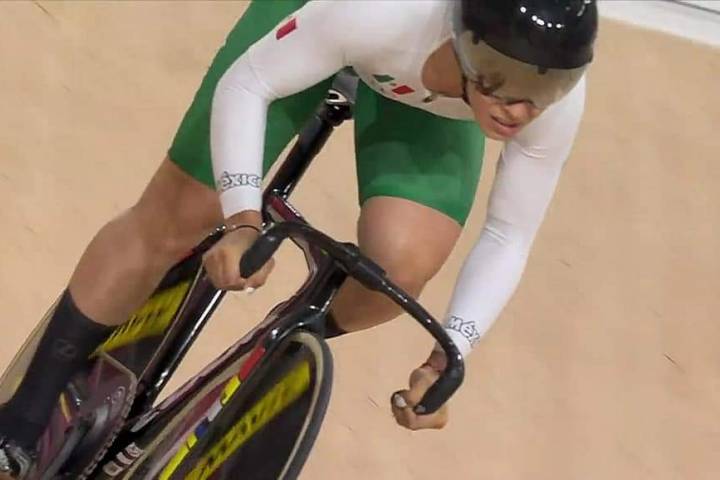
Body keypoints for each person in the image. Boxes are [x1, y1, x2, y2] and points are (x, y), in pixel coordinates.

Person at [0, 0, 598, 477]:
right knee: (182, 211)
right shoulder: (384, 15)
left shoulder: (550, 97)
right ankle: (22, 416)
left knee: (398, 274)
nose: (520, 109)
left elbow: (509, 233)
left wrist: (451, 355)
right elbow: (248, 85)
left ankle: (275, 348)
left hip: (424, 88)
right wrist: (242, 220)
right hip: (326, 23)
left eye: (542, 89)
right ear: (466, 39)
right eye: (502, 77)